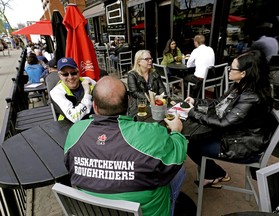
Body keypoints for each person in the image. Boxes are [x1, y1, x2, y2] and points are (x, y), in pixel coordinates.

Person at [64, 76, 187, 216]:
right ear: (129, 102)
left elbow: (69, 167)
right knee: (179, 170)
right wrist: (176, 132)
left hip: (92, 210)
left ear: (94, 106)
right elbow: (178, 156)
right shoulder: (151, 133)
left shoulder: (75, 131)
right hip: (146, 211)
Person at [185, 50, 273, 187]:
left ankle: (216, 174)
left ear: (243, 73)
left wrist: (193, 113)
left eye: (232, 68)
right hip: (236, 134)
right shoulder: (241, 86)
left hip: (244, 145)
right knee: (195, 140)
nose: (229, 70)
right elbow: (218, 102)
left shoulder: (250, 96)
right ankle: (213, 173)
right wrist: (195, 102)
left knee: (191, 146)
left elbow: (223, 123)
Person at [50, 57, 96, 123]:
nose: (70, 77)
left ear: (78, 72)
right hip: (69, 126)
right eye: (65, 74)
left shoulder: (89, 81)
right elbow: (74, 117)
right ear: (59, 76)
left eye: (73, 73)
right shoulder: (56, 92)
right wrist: (87, 94)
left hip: (93, 123)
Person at [127, 50, 167, 115]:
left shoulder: (154, 73)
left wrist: (162, 98)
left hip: (156, 105)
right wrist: (151, 99)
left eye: (150, 58)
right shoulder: (132, 75)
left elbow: (161, 88)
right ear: (138, 61)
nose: (150, 61)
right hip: (139, 107)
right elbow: (134, 92)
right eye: (147, 59)